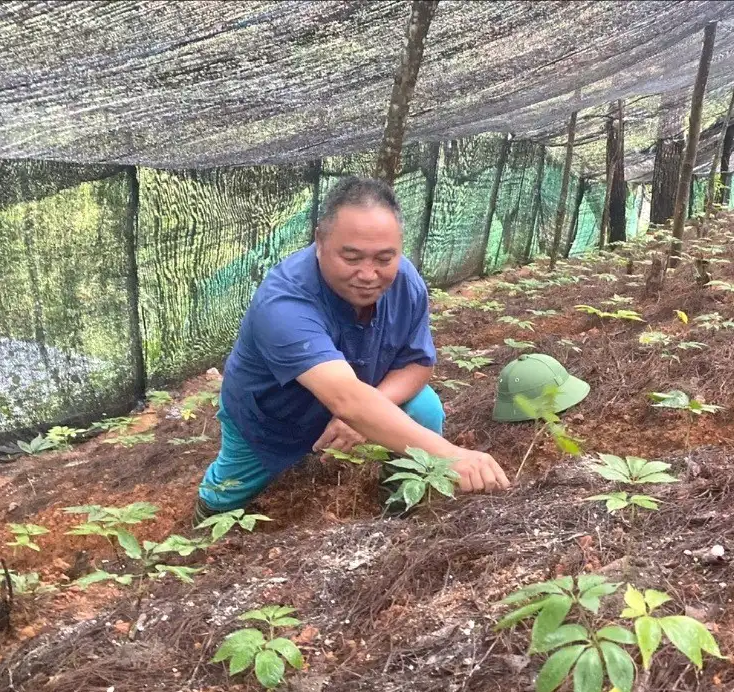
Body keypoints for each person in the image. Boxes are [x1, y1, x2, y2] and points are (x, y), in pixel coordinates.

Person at [194, 176, 510, 522]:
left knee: (425, 409)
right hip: (272, 417)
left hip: (356, 399)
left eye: (384, 258)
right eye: (352, 257)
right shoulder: (284, 302)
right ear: (320, 241)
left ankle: (399, 502)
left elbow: (417, 363)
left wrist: (365, 414)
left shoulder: (406, 283)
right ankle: (203, 524)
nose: (368, 274)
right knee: (226, 493)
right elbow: (346, 398)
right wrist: (449, 454)